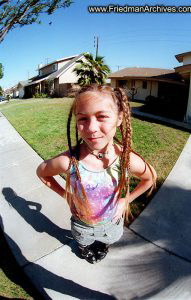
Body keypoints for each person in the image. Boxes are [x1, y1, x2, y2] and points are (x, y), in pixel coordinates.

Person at [36, 84, 157, 264]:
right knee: (84, 244)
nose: (92, 127)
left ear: (119, 118)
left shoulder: (125, 159)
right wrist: (66, 195)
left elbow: (150, 177)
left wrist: (126, 200)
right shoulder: (69, 161)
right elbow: (42, 172)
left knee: (106, 242)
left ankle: (103, 246)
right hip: (81, 225)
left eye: (102, 117)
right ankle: (85, 250)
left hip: (112, 224)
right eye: (83, 118)